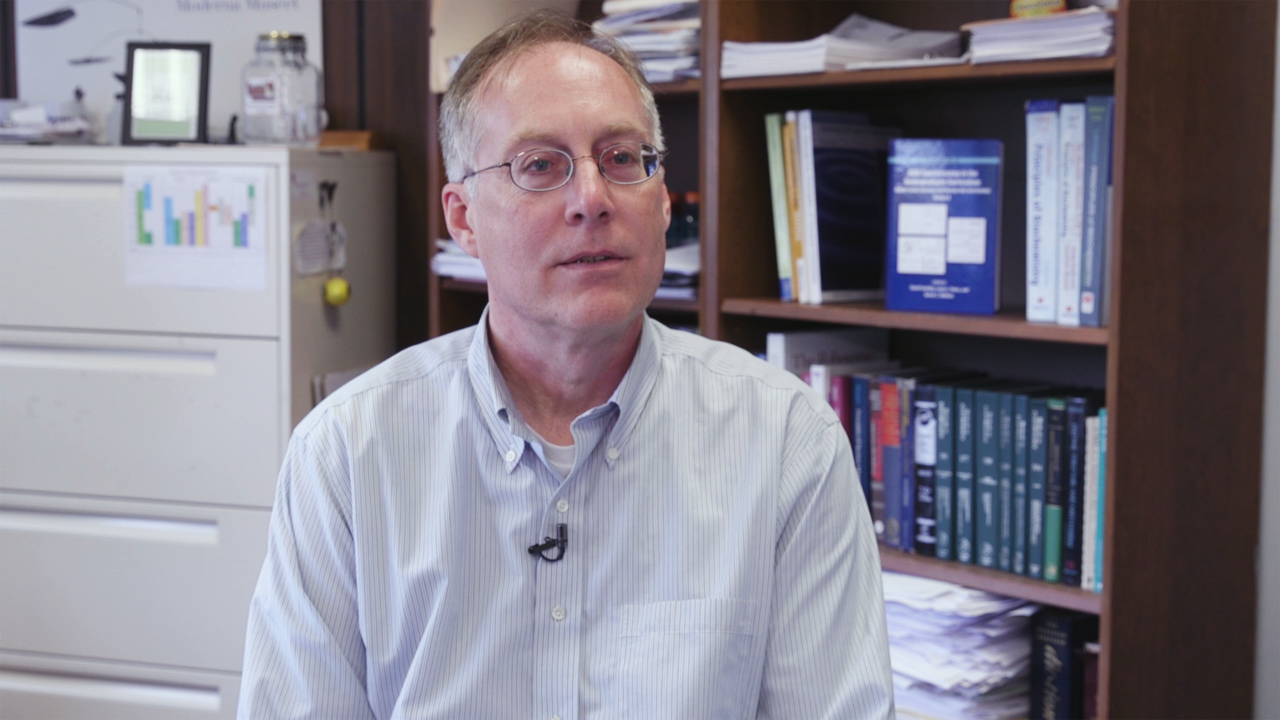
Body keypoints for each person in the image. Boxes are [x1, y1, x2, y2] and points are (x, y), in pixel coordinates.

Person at [238, 10, 893, 720]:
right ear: (463, 218)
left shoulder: (786, 441)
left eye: (622, 158)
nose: (591, 199)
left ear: (662, 200)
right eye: (540, 166)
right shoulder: (346, 454)